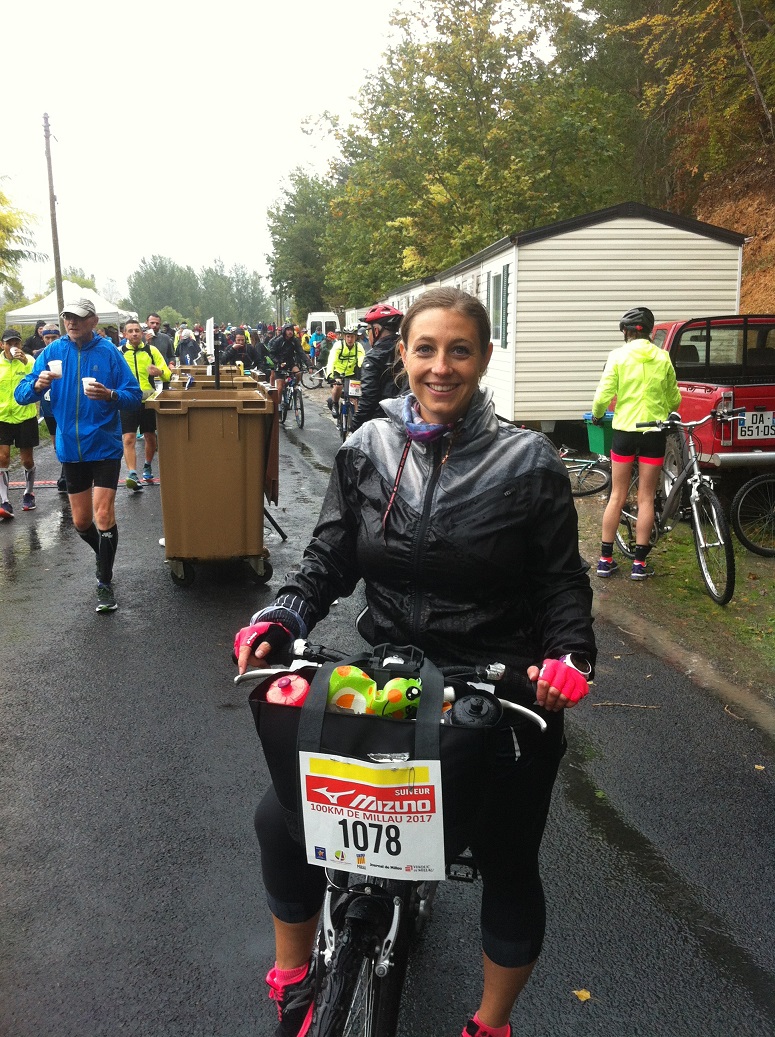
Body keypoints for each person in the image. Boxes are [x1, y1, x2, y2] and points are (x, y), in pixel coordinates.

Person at [234, 287, 596, 1037]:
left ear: (483, 357)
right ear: (401, 354)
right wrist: (284, 613)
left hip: (497, 683)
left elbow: (559, 582)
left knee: (505, 855)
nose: (440, 366)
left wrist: (566, 657)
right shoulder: (366, 445)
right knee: (281, 817)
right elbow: (329, 555)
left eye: (458, 349)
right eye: (424, 349)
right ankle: (295, 980)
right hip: (393, 675)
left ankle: (490, 1023)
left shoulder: (527, 462)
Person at [15, 297, 142, 612]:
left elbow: (135, 396)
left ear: (94, 321)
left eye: (79, 317)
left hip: (104, 445)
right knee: (82, 522)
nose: (71, 322)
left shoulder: (109, 352)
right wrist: (37, 385)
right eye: (67, 317)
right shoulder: (53, 352)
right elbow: (21, 395)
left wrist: (111, 394)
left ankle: (104, 582)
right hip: (70, 448)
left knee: (102, 516)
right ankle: (104, 552)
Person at [591, 306, 682, 581]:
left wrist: (597, 415)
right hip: (653, 433)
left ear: (626, 332)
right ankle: (639, 565)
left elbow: (603, 394)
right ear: (650, 332)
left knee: (617, 495)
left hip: (624, 432)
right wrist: (663, 408)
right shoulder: (662, 356)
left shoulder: (617, 356)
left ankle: (606, 560)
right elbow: (674, 399)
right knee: (646, 497)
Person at [119, 318, 171, 490]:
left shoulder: (151, 351)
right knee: (128, 438)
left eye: (137, 331)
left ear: (142, 333)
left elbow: (168, 375)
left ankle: (147, 465)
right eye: (130, 331)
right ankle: (132, 473)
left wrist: (160, 372)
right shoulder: (119, 353)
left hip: (148, 401)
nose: (134, 333)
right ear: (125, 334)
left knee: (150, 436)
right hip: (127, 401)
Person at [0, 329, 38, 518]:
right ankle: (4, 501)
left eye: (17, 343)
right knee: (2, 457)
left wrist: (26, 364)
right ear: (2, 345)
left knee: (27, 460)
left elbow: (37, 382)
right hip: (2, 417)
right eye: (9, 343)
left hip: (25, 415)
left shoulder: (30, 361)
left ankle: (29, 492)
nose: (13, 347)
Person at [349, 302, 404, 433]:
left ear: (376, 330)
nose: (368, 335)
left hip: (382, 425)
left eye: (368, 330)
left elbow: (368, 400)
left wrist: (353, 428)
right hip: (407, 419)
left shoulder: (373, 357)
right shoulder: (407, 350)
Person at [37, 324, 68, 492]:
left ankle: (66, 475)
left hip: (63, 405)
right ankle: (65, 469)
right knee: (56, 443)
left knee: (66, 437)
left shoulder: (64, 354)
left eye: (53, 338)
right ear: (43, 339)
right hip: (48, 406)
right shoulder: (40, 356)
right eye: (47, 338)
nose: (50, 341)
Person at [325, 325, 365, 420]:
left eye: (352, 337)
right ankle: (335, 404)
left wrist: (366, 374)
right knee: (338, 386)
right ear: (344, 337)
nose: (350, 339)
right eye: (348, 336)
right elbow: (331, 360)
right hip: (338, 371)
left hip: (351, 373)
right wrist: (330, 375)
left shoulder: (358, 347)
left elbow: (362, 361)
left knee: (355, 398)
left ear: (356, 337)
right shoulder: (338, 346)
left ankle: (355, 419)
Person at [268, 323, 307, 402]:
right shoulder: (279, 340)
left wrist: (309, 365)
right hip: (280, 364)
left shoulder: (295, 341)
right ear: (284, 331)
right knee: (279, 388)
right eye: (288, 330)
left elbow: (301, 352)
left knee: (298, 373)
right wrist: (278, 362)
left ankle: (294, 387)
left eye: (291, 330)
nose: (290, 332)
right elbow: (271, 353)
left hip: (290, 363)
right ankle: (278, 408)